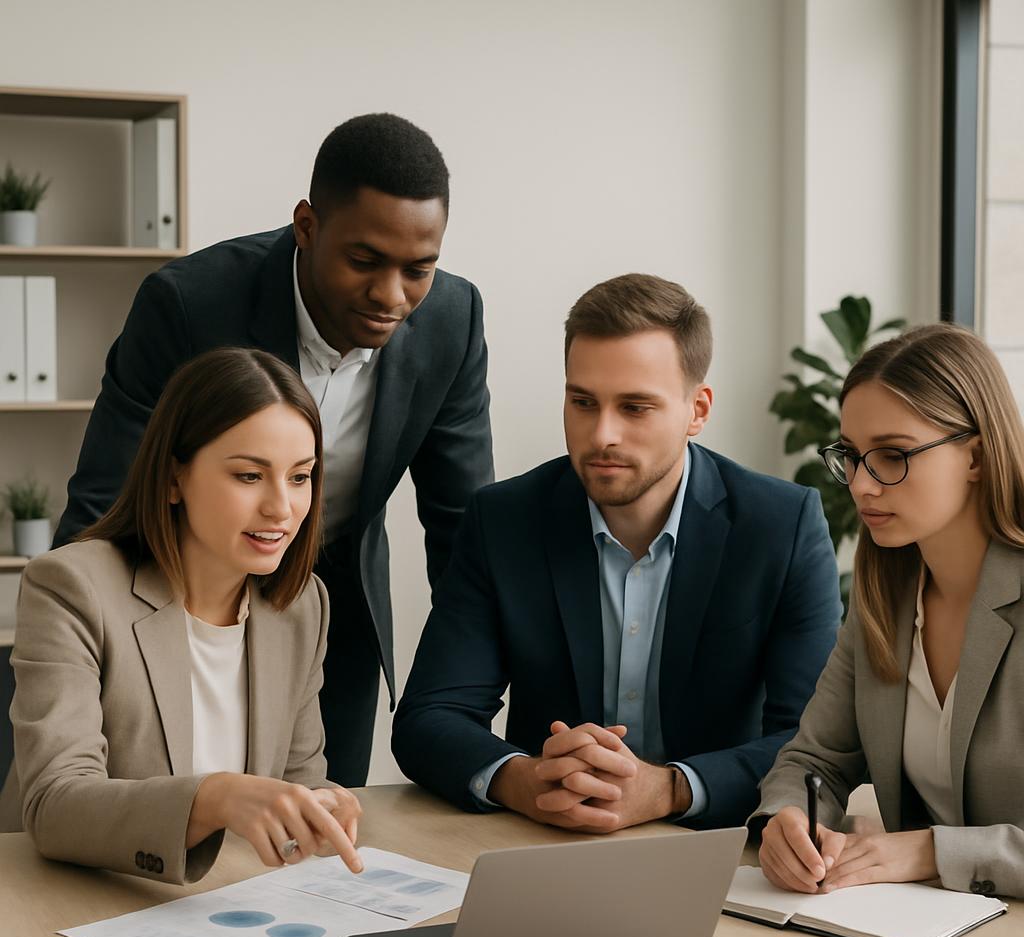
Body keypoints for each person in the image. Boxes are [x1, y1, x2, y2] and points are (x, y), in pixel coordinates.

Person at [52, 113, 494, 787]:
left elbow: (462, 530)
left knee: (311, 837)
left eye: (419, 269)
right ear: (307, 226)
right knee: (139, 823)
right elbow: (106, 499)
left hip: (327, 607)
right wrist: (75, 651)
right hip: (171, 597)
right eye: (365, 262)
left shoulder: (452, 321)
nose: (391, 295)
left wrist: (460, 724)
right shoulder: (187, 305)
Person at [392, 274, 841, 831]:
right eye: (583, 402)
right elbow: (428, 718)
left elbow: (818, 746)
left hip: (715, 849)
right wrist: (523, 780)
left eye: (635, 407)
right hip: (546, 843)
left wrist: (671, 789)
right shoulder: (505, 520)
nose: (602, 433)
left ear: (697, 410)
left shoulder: (781, 525)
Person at [0, 348, 363, 884]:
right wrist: (214, 796)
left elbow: (298, 779)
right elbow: (54, 804)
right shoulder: (72, 586)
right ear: (174, 478)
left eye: (300, 477)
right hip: (64, 904)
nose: (281, 508)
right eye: (248, 476)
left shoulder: (301, 604)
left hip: (218, 908)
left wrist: (317, 807)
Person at [754, 324, 1024, 899]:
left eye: (893, 456)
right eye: (851, 457)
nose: (861, 484)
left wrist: (931, 849)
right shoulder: (886, 600)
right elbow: (814, 760)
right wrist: (788, 821)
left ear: (974, 456)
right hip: (919, 936)